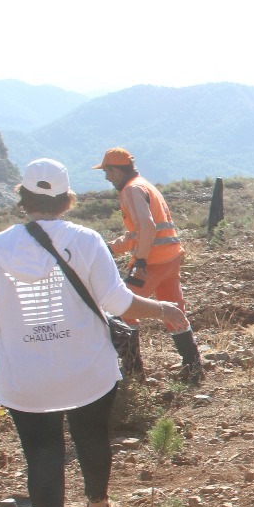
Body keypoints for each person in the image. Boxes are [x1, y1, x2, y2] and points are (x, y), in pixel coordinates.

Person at [0, 159, 186, 507]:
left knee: (41, 453)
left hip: (25, 376)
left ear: (23, 198)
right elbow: (119, 303)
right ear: (67, 200)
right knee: (92, 439)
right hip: (87, 369)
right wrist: (164, 308)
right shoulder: (86, 240)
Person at [92, 147, 204, 384]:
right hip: (170, 259)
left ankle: (134, 373)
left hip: (151, 262)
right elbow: (139, 232)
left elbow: (147, 227)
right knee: (174, 310)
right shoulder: (144, 185)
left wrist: (140, 260)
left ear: (117, 170)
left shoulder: (131, 190)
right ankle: (193, 367)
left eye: (107, 171)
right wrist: (112, 247)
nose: (106, 177)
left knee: (124, 310)